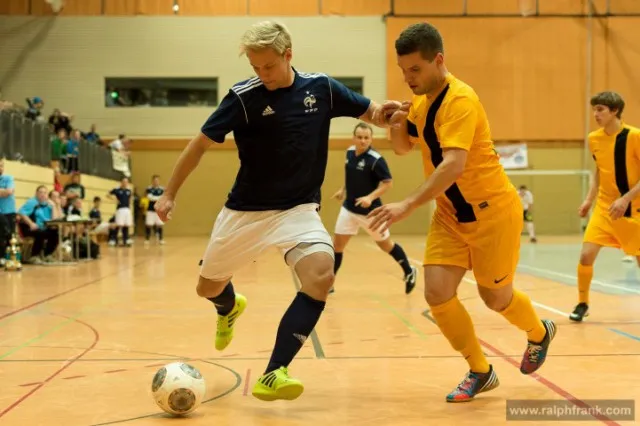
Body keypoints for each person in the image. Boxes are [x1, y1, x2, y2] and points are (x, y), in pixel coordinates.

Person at [154, 20, 399, 402]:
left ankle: (274, 372)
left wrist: (390, 113)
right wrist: (169, 193)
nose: (262, 74)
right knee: (207, 288)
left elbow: (373, 113)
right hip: (245, 212)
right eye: (255, 67)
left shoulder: (322, 89)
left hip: (298, 210)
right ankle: (229, 307)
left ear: (288, 55)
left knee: (321, 275)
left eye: (268, 66)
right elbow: (199, 144)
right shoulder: (243, 97)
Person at [367, 22, 556, 402]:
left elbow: (453, 164)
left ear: (438, 60)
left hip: (493, 214)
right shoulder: (422, 102)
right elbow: (403, 148)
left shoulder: (460, 101)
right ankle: (480, 370)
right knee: (437, 292)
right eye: (403, 71)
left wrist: (407, 203)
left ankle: (539, 332)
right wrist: (395, 121)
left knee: (495, 299)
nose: (408, 78)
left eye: (415, 69)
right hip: (450, 215)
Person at [571, 91, 640, 322]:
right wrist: (589, 200)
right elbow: (599, 171)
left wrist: (626, 198)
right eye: (594, 109)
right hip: (604, 208)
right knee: (585, 255)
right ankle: (582, 303)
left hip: (633, 209)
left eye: (600, 109)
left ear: (615, 111)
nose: (595, 114)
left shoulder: (634, 136)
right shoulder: (594, 139)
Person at [331, 122, 416, 294]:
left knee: (386, 245)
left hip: (372, 213)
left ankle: (409, 271)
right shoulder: (350, 152)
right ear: (354, 138)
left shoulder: (376, 160)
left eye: (366, 138)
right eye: (359, 137)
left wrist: (370, 197)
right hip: (349, 209)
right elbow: (351, 175)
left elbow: (388, 183)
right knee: (337, 246)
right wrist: (343, 189)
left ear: (371, 139)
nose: (363, 141)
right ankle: (328, 283)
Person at [107, 177, 133, 247]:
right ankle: (113, 240)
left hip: (127, 210)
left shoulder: (129, 190)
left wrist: (129, 204)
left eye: (126, 182)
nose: (125, 183)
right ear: (121, 182)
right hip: (120, 209)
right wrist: (114, 200)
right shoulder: (117, 189)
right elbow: (108, 194)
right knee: (118, 225)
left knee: (126, 225)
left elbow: (130, 198)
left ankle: (126, 240)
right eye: (124, 181)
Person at [145, 175, 165, 245]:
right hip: (151, 210)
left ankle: (161, 239)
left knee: (160, 225)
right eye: (155, 180)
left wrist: (156, 198)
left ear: (159, 181)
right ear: (152, 181)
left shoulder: (162, 189)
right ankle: (147, 239)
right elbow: (150, 197)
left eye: (157, 180)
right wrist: (158, 198)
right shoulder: (149, 189)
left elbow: (163, 198)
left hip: (159, 210)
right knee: (149, 224)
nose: (156, 182)